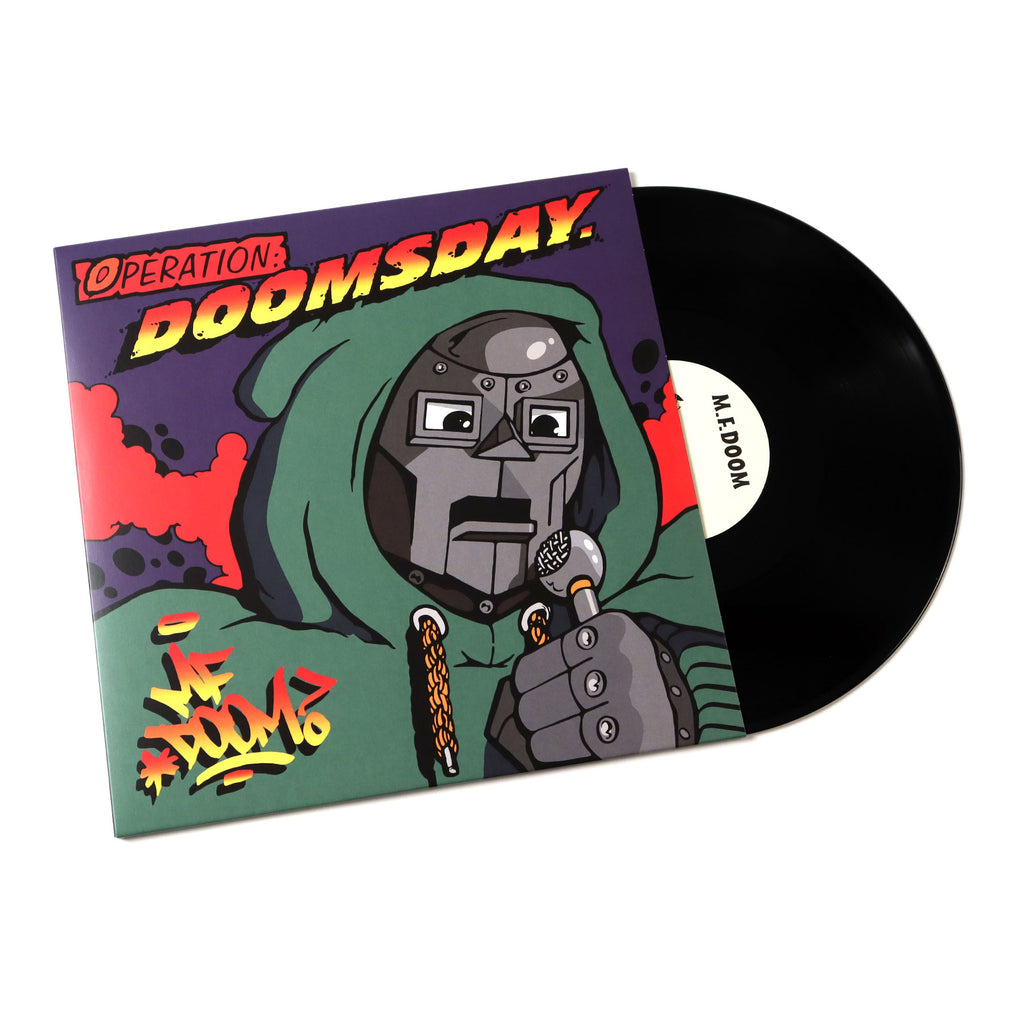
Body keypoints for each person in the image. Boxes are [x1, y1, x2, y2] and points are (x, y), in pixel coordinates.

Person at [96, 274, 743, 835]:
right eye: (453, 419)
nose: (506, 450)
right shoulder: (199, 652)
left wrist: (682, 713)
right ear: (351, 441)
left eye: (548, 425)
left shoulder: (672, 599)